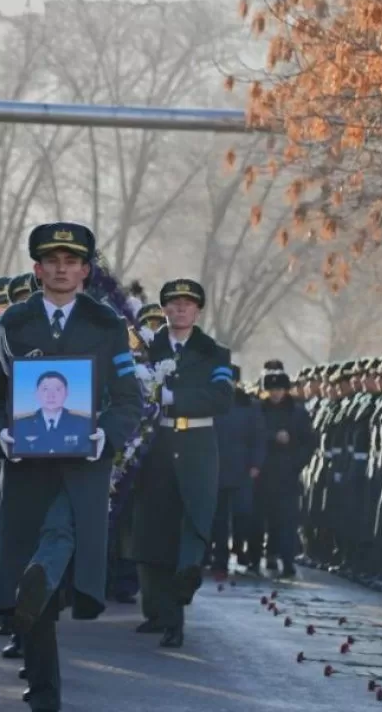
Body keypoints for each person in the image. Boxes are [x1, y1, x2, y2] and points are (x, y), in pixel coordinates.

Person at [0, 222, 143, 712]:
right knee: (37, 586)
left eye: (71, 261)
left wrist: (104, 435)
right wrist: (0, 433)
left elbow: (129, 400)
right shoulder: (12, 325)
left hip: (82, 468)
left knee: (57, 542)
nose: (61, 269)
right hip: (26, 469)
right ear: (37, 269)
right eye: (52, 261)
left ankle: (41, 579)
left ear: (86, 270)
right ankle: (45, 691)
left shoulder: (108, 325)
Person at [129, 278, 233, 649]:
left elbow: (221, 398)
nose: (180, 309)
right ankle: (156, 611)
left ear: (198, 310)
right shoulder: (146, 350)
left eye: (187, 304)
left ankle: (177, 609)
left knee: (191, 528)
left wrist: (174, 396)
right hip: (155, 445)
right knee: (152, 528)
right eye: (173, 304)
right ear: (166, 310)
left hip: (197, 446)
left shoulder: (214, 353)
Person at [255, 363, 314, 578]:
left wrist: (296, 463)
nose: (276, 394)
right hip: (263, 472)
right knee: (264, 516)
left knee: (287, 519)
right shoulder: (259, 410)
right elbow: (255, 435)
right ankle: (267, 553)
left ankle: (287, 559)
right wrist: (273, 437)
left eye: (279, 390)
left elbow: (308, 441)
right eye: (272, 390)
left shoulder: (297, 412)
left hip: (287, 473)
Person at [209, 365, 266, 577]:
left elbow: (258, 438)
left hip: (242, 468)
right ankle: (220, 557)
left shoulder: (249, 406)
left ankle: (242, 550)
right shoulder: (212, 405)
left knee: (243, 514)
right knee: (219, 517)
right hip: (217, 466)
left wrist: (255, 464)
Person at [12, 371, 93, 455]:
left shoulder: (83, 423)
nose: (51, 395)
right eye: (45, 389)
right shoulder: (21, 424)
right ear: (37, 393)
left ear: (66, 393)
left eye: (57, 389)